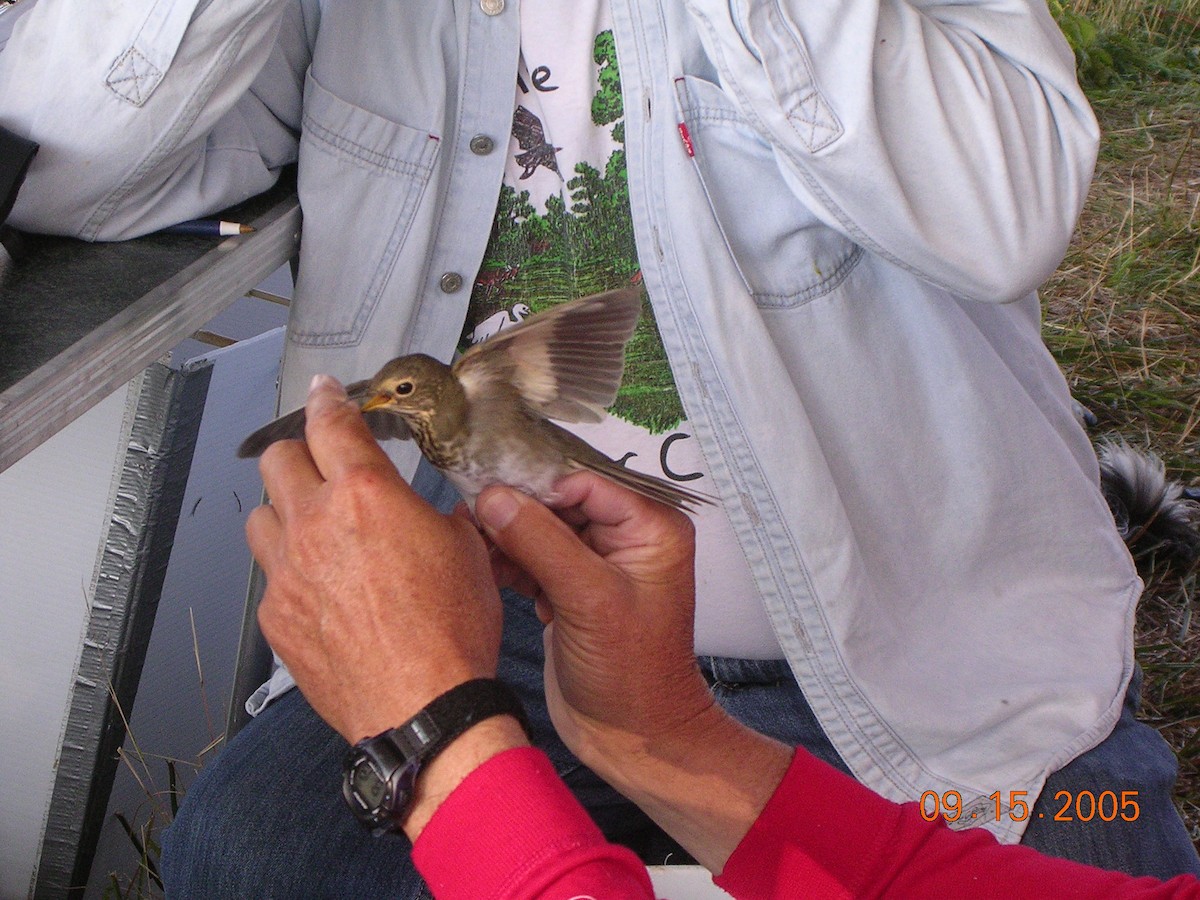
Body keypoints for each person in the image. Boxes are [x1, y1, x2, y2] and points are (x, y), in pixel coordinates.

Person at [2, 0, 1196, 892]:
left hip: (922, 646)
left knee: (1086, 855)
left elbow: (1005, 213)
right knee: (251, 852)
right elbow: (66, 172)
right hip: (494, 633)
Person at [233, 375, 1200, 898]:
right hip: (602, 659)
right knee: (253, 855)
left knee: (1103, 836)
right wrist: (667, 736)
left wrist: (434, 733)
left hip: (932, 654)